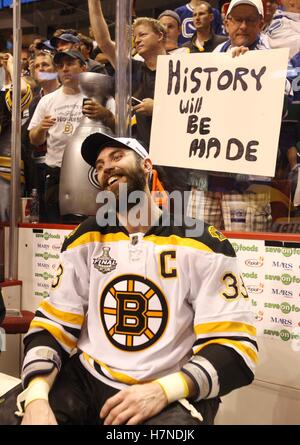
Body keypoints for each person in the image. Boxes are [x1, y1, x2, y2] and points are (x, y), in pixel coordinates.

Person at [16, 133, 257, 425]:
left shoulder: (204, 243)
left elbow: (235, 346)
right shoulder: (84, 238)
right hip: (89, 381)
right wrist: (37, 397)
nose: (107, 168)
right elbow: (54, 324)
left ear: (146, 165)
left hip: (167, 389)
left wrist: (162, 391)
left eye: (117, 157)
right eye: (100, 165)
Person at [28, 49, 115, 222]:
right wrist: (40, 129)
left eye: (70, 64)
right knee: (56, 229)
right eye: (60, 66)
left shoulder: (100, 97)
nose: (65, 69)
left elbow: (121, 130)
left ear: (83, 68)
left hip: (90, 173)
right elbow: (34, 139)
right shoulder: (47, 100)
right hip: (55, 175)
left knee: (92, 227)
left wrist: (105, 115)